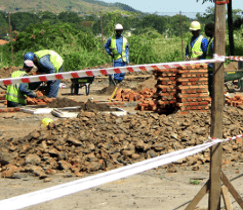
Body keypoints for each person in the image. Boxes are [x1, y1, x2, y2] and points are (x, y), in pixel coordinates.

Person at [205, 23, 215, 96]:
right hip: (210, 67)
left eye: (206, 31)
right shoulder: (211, 39)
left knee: (213, 87)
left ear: (210, 30)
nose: (205, 33)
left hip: (213, 68)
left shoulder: (214, 40)